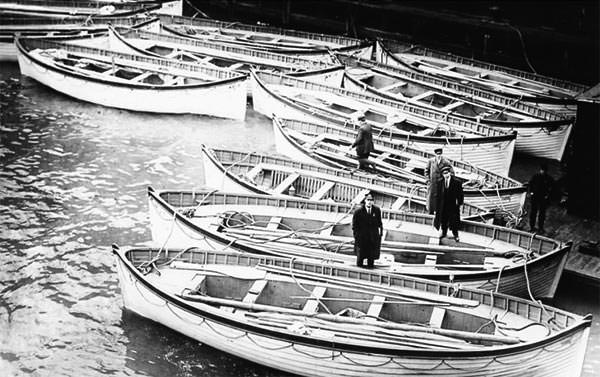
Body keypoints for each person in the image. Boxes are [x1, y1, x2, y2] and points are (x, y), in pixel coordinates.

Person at [352, 192, 383, 268]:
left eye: (371, 200)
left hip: (372, 238)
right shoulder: (358, 212)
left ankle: (370, 269)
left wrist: (379, 235)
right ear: (365, 201)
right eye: (368, 200)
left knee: (371, 257)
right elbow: (354, 226)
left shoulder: (377, 210)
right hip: (362, 238)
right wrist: (357, 237)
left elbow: (380, 223)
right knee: (360, 258)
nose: (369, 202)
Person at [434, 166, 464, 242]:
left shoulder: (457, 182)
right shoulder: (440, 182)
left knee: (454, 220)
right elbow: (438, 195)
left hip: (453, 204)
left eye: (447, 173)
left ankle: (455, 234)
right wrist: (436, 207)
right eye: (444, 174)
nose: (446, 175)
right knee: (443, 219)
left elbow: (460, 194)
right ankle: (444, 233)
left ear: (450, 173)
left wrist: (460, 203)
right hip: (443, 204)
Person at [425, 147, 454, 214]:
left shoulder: (446, 162)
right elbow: (427, 171)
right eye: (437, 154)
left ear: (441, 154)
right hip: (432, 183)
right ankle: (430, 211)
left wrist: (448, 181)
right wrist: (427, 180)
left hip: (441, 183)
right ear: (435, 154)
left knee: (441, 198)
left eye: (440, 154)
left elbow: (452, 172)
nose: (439, 155)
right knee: (431, 199)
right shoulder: (431, 161)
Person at [528, 162, 554, 233]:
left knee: (542, 214)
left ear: (546, 171)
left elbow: (552, 188)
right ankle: (532, 227)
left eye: (544, 170)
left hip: (543, 198)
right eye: (542, 170)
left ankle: (540, 228)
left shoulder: (549, 179)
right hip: (535, 197)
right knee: (533, 213)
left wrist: (548, 195)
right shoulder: (536, 176)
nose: (543, 171)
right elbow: (531, 184)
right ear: (540, 170)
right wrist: (531, 192)